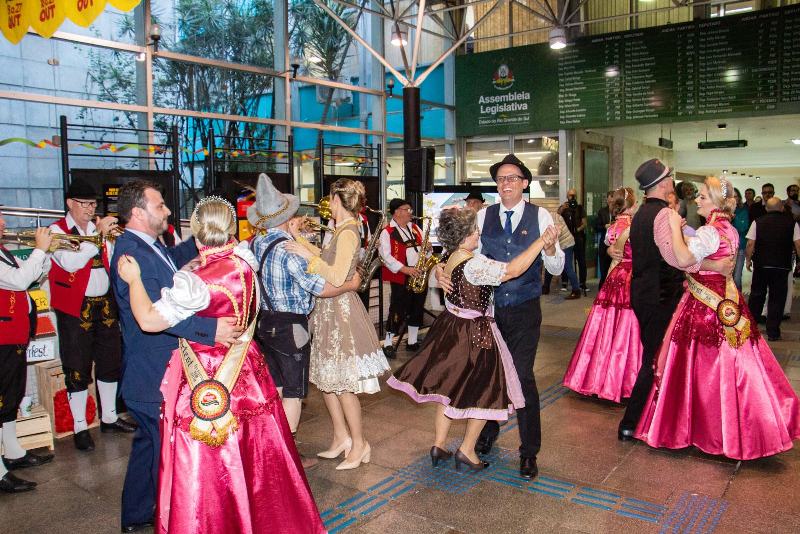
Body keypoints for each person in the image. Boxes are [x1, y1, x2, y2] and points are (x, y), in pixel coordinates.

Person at [116, 197, 326, 534]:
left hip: (207, 378)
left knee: (210, 456)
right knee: (253, 449)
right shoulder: (245, 260)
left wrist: (134, 279)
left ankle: (218, 519)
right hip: (248, 370)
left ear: (197, 236)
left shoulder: (195, 282)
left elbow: (148, 320)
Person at [635, 177, 800, 460]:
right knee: (733, 362)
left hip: (704, 308)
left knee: (700, 367)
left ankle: (701, 427)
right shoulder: (729, 229)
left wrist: (674, 227)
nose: (697, 200)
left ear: (714, 200)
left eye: (702, 196)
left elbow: (685, 258)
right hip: (726, 300)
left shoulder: (710, 231)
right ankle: (737, 426)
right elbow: (706, 252)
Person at [110, 180, 242, 532]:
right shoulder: (131, 253)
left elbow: (173, 263)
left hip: (151, 369)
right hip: (151, 370)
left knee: (148, 446)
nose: (167, 210)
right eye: (159, 205)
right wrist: (210, 330)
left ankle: (136, 515)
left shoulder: (148, 245)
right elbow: (155, 315)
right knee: (165, 451)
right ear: (137, 212)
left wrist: (208, 237)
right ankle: (168, 518)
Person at [388, 207, 556, 471]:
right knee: (483, 390)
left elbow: (442, 268)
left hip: (451, 327)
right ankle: (467, 450)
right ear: (466, 235)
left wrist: (438, 272)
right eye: (475, 230)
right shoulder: (474, 264)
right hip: (475, 332)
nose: (479, 233)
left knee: (449, 389)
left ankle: (439, 444)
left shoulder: (452, 256)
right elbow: (513, 270)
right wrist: (539, 241)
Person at [438, 153, 563, 479]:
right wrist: (441, 270)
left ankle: (529, 451)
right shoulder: (482, 216)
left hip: (524, 310)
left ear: (524, 183)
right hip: (487, 312)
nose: (506, 183)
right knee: (488, 375)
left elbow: (557, 267)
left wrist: (549, 250)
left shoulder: (541, 217)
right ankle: (487, 434)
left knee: (521, 377)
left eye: (512, 178)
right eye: (501, 178)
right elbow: (460, 253)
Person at [247, 174, 361, 470]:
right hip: (291, 327)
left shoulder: (257, 243)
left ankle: (273, 446)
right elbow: (322, 287)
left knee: (278, 389)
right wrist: (350, 285)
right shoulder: (288, 249)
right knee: (294, 394)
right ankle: (286, 456)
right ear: (287, 217)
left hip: (265, 324)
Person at [617, 160, 732, 442]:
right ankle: (630, 422)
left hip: (643, 291)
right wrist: (713, 267)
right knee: (654, 357)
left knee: (654, 353)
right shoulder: (662, 215)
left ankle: (648, 415)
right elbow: (676, 259)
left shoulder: (641, 213)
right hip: (661, 295)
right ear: (664, 184)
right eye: (669, 179)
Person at [285, 178, 389, 471]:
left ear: (338, 199)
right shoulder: (339, 229)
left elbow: (338, 274)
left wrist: (306, 254)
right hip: (328, 310)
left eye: (330, 198)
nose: (327, 202)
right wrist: (301, 242)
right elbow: (324, 258)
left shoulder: (348, 232)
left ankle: (359, 444)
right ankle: (341, 437)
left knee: (343, 385)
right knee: (327, 381)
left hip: (341, 312)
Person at [49, 178, 136, 452]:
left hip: (106, 303)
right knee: (77, 365)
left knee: (110, 359)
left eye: (92, 204)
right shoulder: (56, 230)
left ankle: (109, 417)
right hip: (76, 307)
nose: (89, 209)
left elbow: (112, 259)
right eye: (84, 204)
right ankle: (79, 426)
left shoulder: (99, 227)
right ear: (70, 204)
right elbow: (70, 262)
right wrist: (98, 236)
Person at [563, 187, 642, 403]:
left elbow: (609, 247)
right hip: (631, 279)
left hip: (614, 278)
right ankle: (624, 379)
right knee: (627, 327)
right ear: (632, 205)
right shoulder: (636, 227)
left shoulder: (613, 228)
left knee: (605, 326)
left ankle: (595, 376)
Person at [0, 213, 53, 494]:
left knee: (11, 396)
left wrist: (43, 257)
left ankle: (13, 451)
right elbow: (19, 281)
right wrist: (39, 249)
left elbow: (33, 277)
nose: (4, 223)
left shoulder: (4, 252)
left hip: (14, 336)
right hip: (2, 338)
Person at [746, 196, 800, 341]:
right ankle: (773, 332)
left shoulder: (757, 222)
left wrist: (748, 260)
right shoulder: (792, 223)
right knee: (777, 299)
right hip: (782, 266)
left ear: (766, 208)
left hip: (761, 265)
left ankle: (751, 328)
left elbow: (750, 244)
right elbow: (798, 244)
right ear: (782, 208)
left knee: (757, 296)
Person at [378, 198, 425, 357]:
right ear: (397, 212)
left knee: (416, 308)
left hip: (418, 273)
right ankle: (388, 343)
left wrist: (428, 249)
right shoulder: (387, 232)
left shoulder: (416, 228)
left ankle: (412, 341)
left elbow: (424, 250)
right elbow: (385, 256)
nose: (410, 213)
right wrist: (405, 269)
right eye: (407, 209)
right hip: (401, 276)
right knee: (398, 308)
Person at [542, 211, 580, 299]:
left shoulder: (550, 218)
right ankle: (545, 288)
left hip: (566, 244)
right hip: (560, 243)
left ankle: (576, 290)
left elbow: (556, 233)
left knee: (567, 267)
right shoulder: (550, 216)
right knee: (550, 263)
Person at [558, 188, 587, 294]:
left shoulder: (580, 208)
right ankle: (565, 282)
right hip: (566, 240)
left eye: (574, 195)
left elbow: (584, 223)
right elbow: (557, 218)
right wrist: (562, 209)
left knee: (581, 260)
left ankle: (582, 283)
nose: (572, 197)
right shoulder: (564, 208)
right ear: (567, 196)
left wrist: (576, 230)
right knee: (566, 261)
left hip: (578, 238)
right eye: (570, 195)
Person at [595, 191, 614, 288]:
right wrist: (604, 226)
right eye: (609, 200)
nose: (611, 203)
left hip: (615, 245)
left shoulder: (619, 211)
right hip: (604, 244)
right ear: (607, 200)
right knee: (604, 270)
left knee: (613, 271)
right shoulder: (602, 211)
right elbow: (597, 227)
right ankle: (601, 292)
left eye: (613, 200)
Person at [732, 188, 750, 290]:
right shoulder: (723, 211)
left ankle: (739, 301)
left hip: (740, 247)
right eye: (731, 197)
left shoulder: (743, 211)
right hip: (726, 249)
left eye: (736, 196)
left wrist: (734, 217)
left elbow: (743, 227)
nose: (734, 199)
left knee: (737, 277)